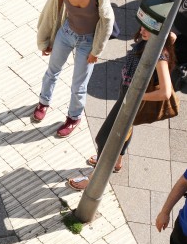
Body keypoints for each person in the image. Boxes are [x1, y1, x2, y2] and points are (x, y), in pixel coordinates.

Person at [68, 28, 177, 190]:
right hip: (127, 93)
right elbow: (172, 35)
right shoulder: (157, 39)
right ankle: (117, 162)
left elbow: (165, 92)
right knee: (125, 130)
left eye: (149, 30)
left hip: (132, 100)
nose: (143, 31)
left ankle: (92, 181)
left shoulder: (160, 54)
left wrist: (137, 96)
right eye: (143, 26)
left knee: (105, 139)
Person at [34, 0, 115, 138]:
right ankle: (43, 102)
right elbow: (50, 15)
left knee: (79, 84)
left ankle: (74, 117)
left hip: (88, 42)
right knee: (52, 71)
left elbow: (108, 21)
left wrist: (97, 50)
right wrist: (47, 41)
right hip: (66, 34)